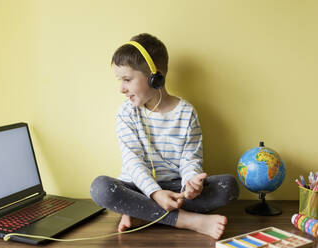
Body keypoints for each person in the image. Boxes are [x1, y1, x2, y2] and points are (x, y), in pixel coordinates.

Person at [90, 33, 239, 240]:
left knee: (228, 186)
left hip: (174, 189)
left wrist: (190, 184)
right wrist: (155, 194)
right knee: (100, 188)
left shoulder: (187, 113)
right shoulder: (127, 113)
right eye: (120, 80)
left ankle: (142, 213)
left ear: (154, 76)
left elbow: (190, 159)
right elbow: (132, 162)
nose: (121, 89)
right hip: (138, 188)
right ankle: (186, 220)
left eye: (127, 79)